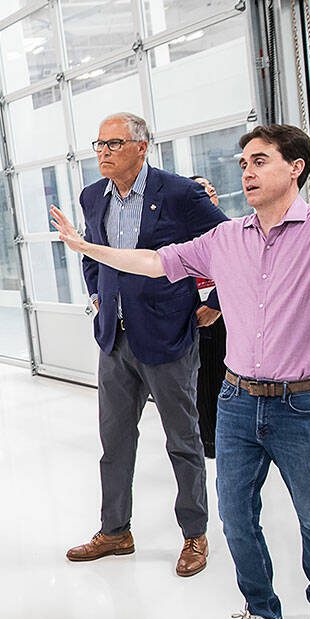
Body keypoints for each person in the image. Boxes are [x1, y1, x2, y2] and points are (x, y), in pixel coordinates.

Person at [51, 124, 310, 619]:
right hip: (236, 400)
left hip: (306, 400)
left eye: (260, 161)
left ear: (295, 167)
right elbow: (155, 262)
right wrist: (85, 247)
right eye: (244, 163)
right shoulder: (226, 238)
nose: (247, 172)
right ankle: (261, 612)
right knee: (235, 514)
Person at [65, 113, 228, 578]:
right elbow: (91, 251)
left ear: (142, 146)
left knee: (183, 439)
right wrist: (98, 295)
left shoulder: (178, 193)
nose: (102, 152)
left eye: (113, 144)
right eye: (98, 144)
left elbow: (231, 244)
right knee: (114, 442)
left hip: (167, 335)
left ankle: (194, 534)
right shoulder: (92, 196)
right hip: (114, 339)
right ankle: (115, 530)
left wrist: (216, 302)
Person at [190, 175, 226, 459]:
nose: (210, 196)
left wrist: (216, 303)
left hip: (224, 309)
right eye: (203, 192)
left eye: (213, 191)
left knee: (223, 373)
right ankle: (208, 439)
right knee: (202, 378)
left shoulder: (227, 230)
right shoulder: (181, 232)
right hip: (192, 314)